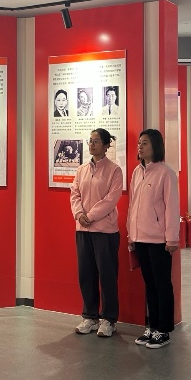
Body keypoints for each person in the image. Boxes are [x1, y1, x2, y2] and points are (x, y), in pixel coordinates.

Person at [128, 129, 179, 349]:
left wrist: (172, 238)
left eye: (145, 143)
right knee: (149, 285)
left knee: (162, 285)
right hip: (140, 238)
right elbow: (132, 205)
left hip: (159, 240)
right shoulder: (136, 172)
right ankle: (152, 326)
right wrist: (131, 234)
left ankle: (163, 330)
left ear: (155, 146)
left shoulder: (166, 173)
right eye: (139, 143)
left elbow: (172, 207)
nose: (140, 147)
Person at [70, 128, 123, 337]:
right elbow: (74, 194)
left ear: (106, 145)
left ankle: (109, 319)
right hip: (83, 229)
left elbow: (111, 199)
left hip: (105, 231)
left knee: (107, 275)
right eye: (90, 141)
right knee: (86, 274)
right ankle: (90, 316)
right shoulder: (81, 169)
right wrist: (79, 214)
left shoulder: (114, 170)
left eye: (96, 141)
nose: (92, 144)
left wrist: (90, 216)